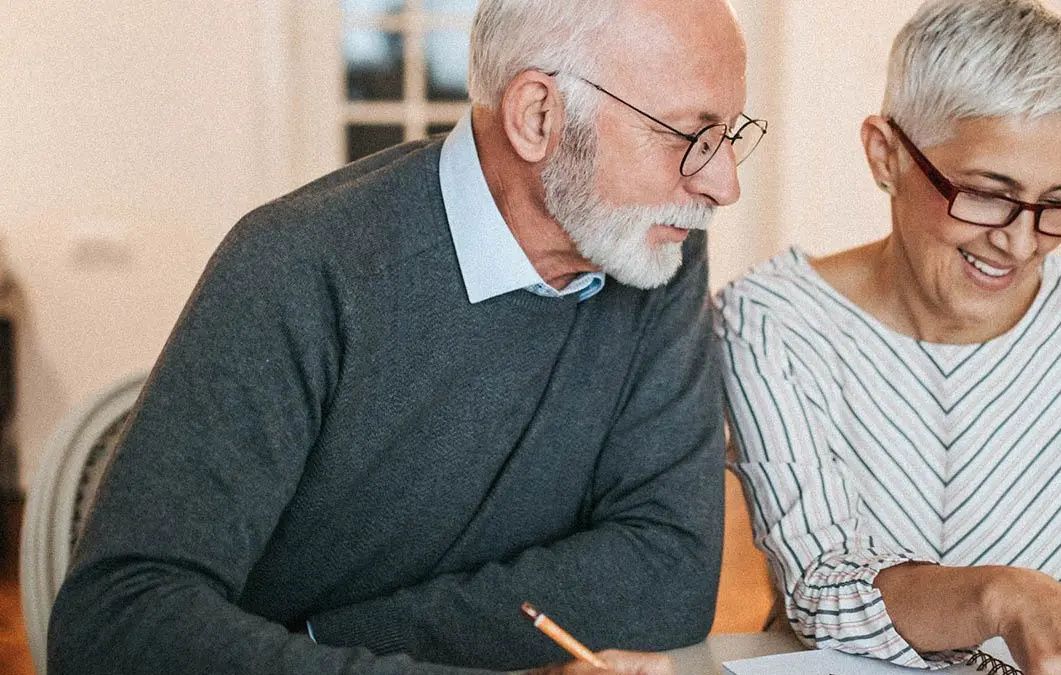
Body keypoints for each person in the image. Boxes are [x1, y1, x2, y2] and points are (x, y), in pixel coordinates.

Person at [49, 1, 767, 673]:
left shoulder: (655, 254)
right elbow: (115, 623)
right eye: (689, 135)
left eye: (728, 135)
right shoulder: (299, 266)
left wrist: (324, 637)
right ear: (538, 116)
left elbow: (670, 570)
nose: (723, 184)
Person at [716, 1, 1061, 673]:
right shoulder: (772, 320)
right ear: (885, 155)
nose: (1021, 241)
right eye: (985, 192)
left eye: (1056, 202)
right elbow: (821, 585)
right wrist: (1008, 595)